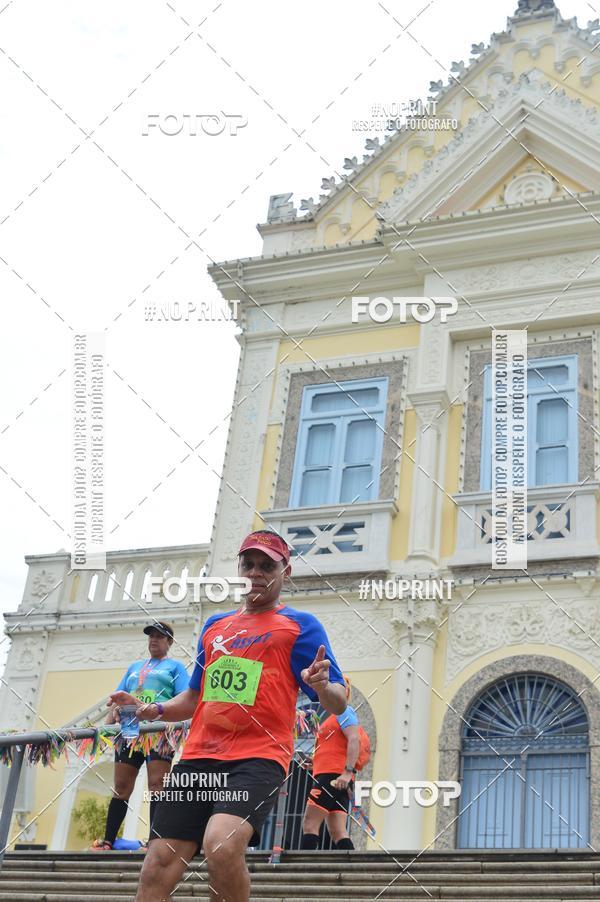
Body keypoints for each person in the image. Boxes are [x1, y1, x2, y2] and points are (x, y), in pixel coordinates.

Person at [110, 529, 347, 902]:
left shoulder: (301, 625)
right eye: (248, 564)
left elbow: (339, 702)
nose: (256, 573)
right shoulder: (215, 626)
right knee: (156, 866)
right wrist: (151, 709)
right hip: (199, 757)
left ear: (286, 572)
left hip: (257, 759)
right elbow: (194, 697)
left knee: (220, 844)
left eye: (267, 566)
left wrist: (322, 686)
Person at [90, 621, 189, 851]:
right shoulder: (134, 667)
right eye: (150, 636)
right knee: (121, 786)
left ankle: (154, 841)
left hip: (158, 731)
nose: (153, 640)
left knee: (157, 785)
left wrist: (160, 711)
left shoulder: (175, 667)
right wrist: (106, 731)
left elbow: (183, 698)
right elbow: (118, 698)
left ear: (169, 642)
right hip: (129, 730)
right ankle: (108, 840)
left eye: (159, 636)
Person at [301, 675, 362, 850]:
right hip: (335, 776)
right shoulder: (335, 716)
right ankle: (353, 867)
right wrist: (315, 762)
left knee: (310, 823)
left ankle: (304, 867)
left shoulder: (344, 711)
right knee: (338, 831)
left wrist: (348, 772)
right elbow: (335, 748)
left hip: (333, 777)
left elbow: (354, 739)